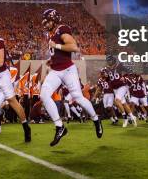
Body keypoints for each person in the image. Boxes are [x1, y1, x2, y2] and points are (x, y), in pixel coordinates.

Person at [39, 9, 102, 146]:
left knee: (78, 98)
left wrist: (56, 45)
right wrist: (52, 59)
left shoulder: (62, 28)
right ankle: (60, 126)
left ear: (54, 19)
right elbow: (58, 52)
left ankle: (96, 119)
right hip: (55, 70)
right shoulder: (50, 34)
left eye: (47, 20)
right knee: (44, 95)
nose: (45, 23)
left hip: (68, 70)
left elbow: (74, 47)